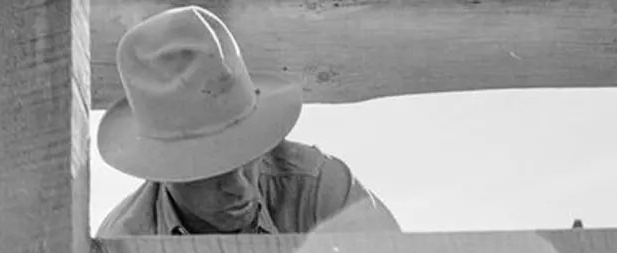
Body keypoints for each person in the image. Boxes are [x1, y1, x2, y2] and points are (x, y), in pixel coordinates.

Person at [96, 6, 399, 237]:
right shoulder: (124, 242)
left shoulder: (322, 190)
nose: (238, 186)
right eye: (212, 171)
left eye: (248, 156)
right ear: (163, 171)